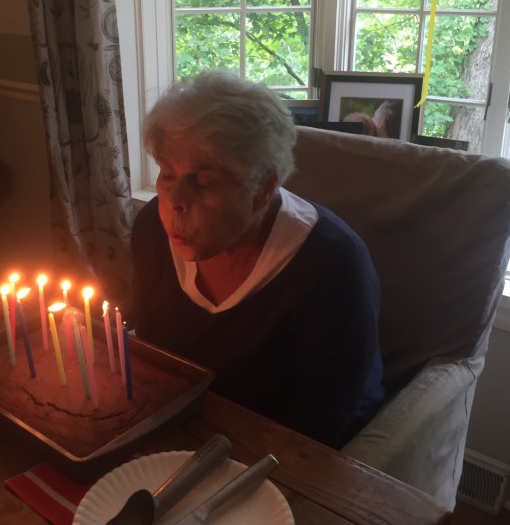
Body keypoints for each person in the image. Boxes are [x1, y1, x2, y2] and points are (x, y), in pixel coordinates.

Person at [130, 71, 385, 449]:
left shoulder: (332, 265)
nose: (173, 200)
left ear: (263, 188)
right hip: (184, 427)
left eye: (203, 181)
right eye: (167, 173)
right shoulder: (153, 228)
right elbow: (151, 355)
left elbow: (321, 422)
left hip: (289, 450)